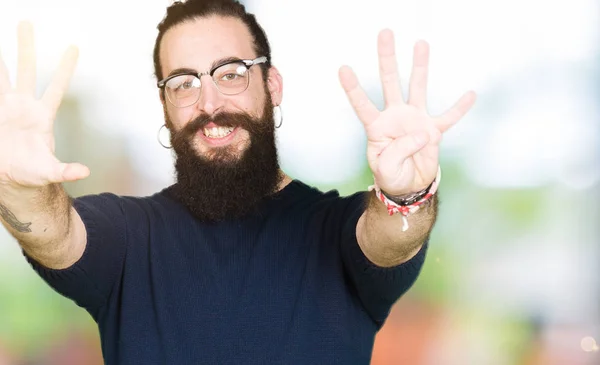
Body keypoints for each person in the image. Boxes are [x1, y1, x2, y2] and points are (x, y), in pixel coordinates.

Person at [0, 0, 475, 364]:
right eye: (183, 83)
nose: (209, 102)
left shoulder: (336, 229)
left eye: (230, 73)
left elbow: (389, 237)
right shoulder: (128, 239)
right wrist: (17, 187)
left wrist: (403, 194)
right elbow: (57, 235)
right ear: (165, 107)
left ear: (272, 87)